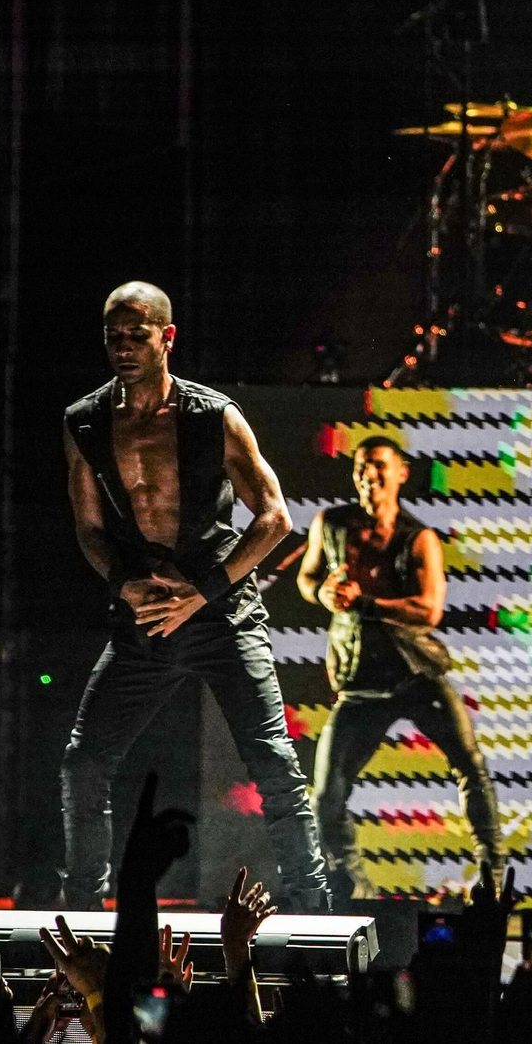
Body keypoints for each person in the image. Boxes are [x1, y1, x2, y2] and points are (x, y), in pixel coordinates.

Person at [60, 282, 330, 912]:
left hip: (221, 616)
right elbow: (89, 528)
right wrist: (123, 584)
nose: (124, 347)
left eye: (138, 334)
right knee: (84, 764)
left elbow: (275, 518)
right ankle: (77, 909)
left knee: (273, 764)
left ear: (166, 338)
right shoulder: (86, 421)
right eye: (113, 336)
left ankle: (316, 912)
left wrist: (202, 594)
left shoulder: (212, 415)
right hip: (145, 619)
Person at [297, 436, 503, 899]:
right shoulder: (331, 524)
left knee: (470, 765)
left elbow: (429, 610)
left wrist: (366, 604)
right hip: (360, 684)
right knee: (326, 794)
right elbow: (308, 578)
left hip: (415, 675)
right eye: (361, 469)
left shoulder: (419, 538)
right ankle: (353, 885)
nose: (369, 477)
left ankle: (493, 877)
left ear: (401, 473)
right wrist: (322, 594)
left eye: (378, 467)